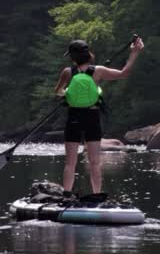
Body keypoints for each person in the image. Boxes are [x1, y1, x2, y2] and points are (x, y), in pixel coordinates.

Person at [53, 36, 145, 198]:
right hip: (92, 117)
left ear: (73, 57)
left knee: (70, 162)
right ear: (89, 54)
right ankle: (97, 195)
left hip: (74, 117)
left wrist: (66, 95)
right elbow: (124, 73)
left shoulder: (68, 72)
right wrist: (134, 52)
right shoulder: (99, 71)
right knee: (95, 162)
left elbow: (58, 92)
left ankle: (66, 195)